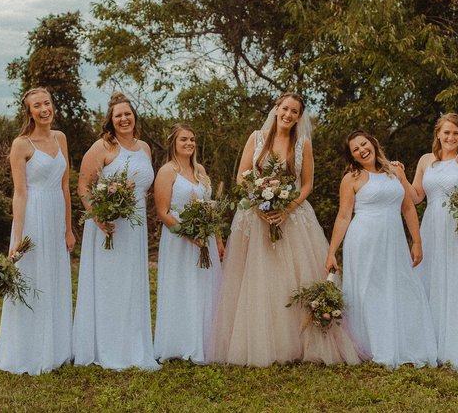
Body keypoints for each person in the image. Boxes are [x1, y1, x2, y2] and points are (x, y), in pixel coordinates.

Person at [210, 93, 360, 366]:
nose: (288, 115)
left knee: (291, 278)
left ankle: (297, 341)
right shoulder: (256, 138)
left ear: (299, 117)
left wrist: (286, 209)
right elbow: (242, 177)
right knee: (258, 277)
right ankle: (260, 342)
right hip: (255, 218)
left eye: (295, 112)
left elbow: (306, 186)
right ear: (276, 109)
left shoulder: (303, 144)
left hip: (291, 216)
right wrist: (258, 205)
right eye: (285, 109)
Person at [326, 130, 437, 368]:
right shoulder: (352, 179)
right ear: (352, 156)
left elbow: (408, 208)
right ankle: (371, 345)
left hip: (394, 241)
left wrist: (416, 241)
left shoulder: (395, 172)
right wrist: (331, 251)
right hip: (364, 240)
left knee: (402, 287)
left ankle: (402, 343)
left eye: (364, 144)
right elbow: (344, 216)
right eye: (355, 150)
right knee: (368, 291)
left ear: (373, 143)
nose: (362, 150)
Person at [72, 93, 159, 370]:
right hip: (107, 226)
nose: (124, 119)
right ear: (110, 120)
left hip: (135, 225)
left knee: (132, 284)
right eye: (118, 115)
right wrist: (98, 216)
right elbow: (83, 187)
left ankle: (133, 345)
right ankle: (106, 347)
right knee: (109, 285)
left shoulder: (144, 148)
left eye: (128, 114)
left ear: (135, 117)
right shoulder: (103, 147)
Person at [0, 87, 75, 375]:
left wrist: (68, 228)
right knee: (33, 278)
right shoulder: (21, 144)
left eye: (47, 103)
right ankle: (28, 350)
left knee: (55, 277)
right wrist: (18, 237)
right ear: (29, 111)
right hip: (33, 215)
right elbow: (19, 193)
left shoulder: (61, 138)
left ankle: (57, 348)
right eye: (37, 105)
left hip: (56, 215)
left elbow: (65, 186)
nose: (44, 109)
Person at [405, 113, 458, 372]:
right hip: (432, 226)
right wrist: (400, 176)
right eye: (446, 132)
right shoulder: (426, 161)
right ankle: (432, 343)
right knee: (432, 280)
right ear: (438, 134)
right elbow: (417, 196)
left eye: (455, 133)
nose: (450, 137)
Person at [153, 123, 223, 363]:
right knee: (181, 288)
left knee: (204, 288)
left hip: (206, 239)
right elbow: (163, 212)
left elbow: (211, 207)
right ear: (173, 142)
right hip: (179, 240)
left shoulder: (200, 170)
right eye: (184, 139)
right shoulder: (167, 171)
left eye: (192, 139)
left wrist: (217, 240)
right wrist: (189, 234)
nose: (189, 143)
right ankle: (179, 343)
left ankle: (204, 342)